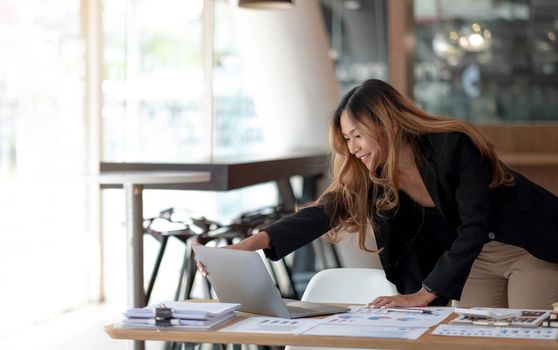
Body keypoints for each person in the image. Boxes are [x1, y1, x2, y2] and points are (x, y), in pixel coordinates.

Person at [199, 79, 558, 309]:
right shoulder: (375, 174)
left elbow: (474, 226)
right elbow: (325, 210)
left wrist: (422, 295)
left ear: (383, 123)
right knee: (466, 337)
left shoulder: (453, 147)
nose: (351, 147)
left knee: (522, 335)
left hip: (528, 246)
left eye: (357, 135)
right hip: (475, 260)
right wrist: (251, 244)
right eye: (346, 139)